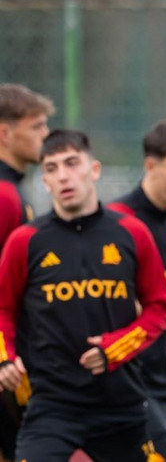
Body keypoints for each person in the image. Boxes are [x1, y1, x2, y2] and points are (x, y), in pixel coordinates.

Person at [0, 129, 166, 462]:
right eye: (51, 168)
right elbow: (2, 308)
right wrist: (4, 357)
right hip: (52, 407)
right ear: (45, 181)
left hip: (121, 405)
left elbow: (159, 307)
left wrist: (115, 348)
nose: (63, 176)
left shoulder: (132, 233)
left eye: (71, 163)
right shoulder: (25, 241)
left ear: (94, 170)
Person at [108, 119, 166, 461]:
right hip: (125, 371)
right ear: (150, 166)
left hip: (164, 368)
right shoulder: (116, 220)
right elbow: (101, 304)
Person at [0, 83, 54, 462]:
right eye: (36, 127)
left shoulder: (14, 190)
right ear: (5, 133)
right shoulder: (4, 195)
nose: (45, 135)